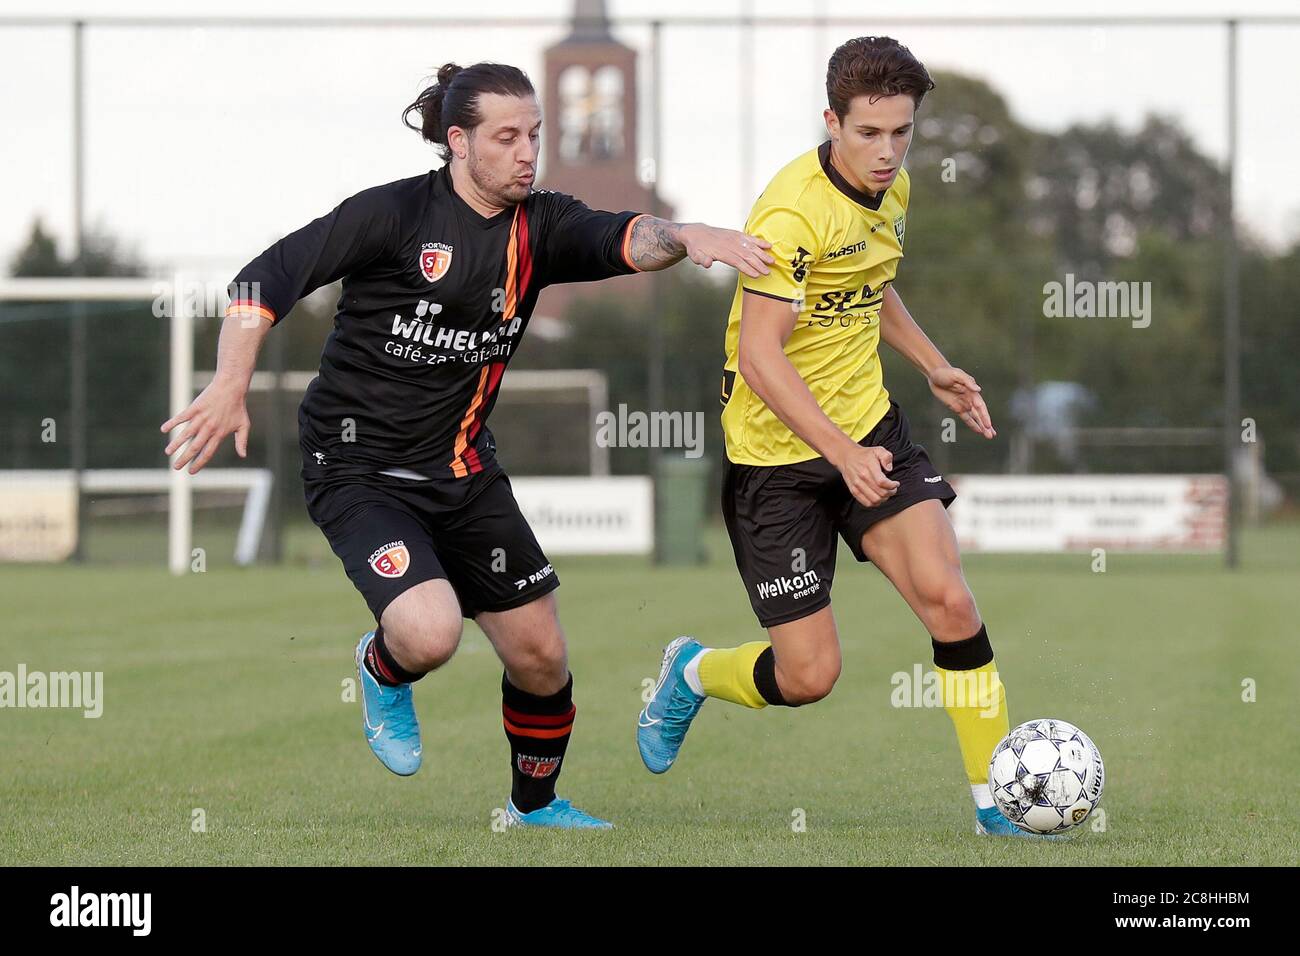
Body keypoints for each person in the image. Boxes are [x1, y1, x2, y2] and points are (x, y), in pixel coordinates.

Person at [161, 61, 773, 830]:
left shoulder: (541, 226)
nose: (528, 152)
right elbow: (263, 281)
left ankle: (534, 809)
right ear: (458, 141)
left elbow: (627, 238)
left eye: (536, 136)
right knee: (429, 633)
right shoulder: (390, 216)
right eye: (507, 137)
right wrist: (228, 385)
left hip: (462, 470)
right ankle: (381, 667)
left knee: (543, 655)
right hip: (357, 470)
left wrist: (688, 236)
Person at [636, 36, 1048, 837]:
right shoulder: (791, 210)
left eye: (902, 132)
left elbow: (868, 285)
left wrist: (932, 364)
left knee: (950, 601)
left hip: (870, 430)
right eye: (868, 133)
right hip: (777, 463)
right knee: (810, 675)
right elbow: (759, 355)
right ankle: (691, 672)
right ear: (832, 120)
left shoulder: (891, 192)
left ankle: (998, 804)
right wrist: (841, 454)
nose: (887, 151)